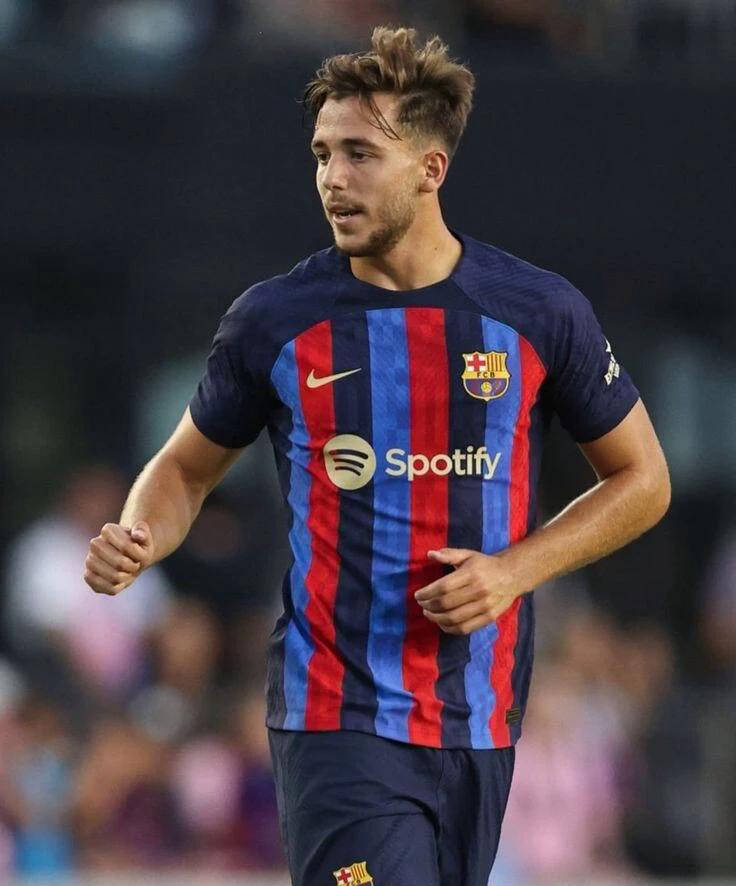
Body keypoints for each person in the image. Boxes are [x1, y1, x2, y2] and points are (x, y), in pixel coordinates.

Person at [83, 26, 670, 886]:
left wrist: (514, 572)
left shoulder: (536, 313)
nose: (332, 177)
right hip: (336, 712)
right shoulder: (275, 320)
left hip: (479, 716)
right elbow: (183, 468)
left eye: (360, 153)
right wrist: (141, 533)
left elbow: (643, 480)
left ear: (431, 168)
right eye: (323, 154)